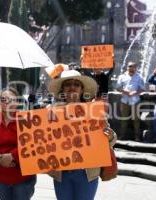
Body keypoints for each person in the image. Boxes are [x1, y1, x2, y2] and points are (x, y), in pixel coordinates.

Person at [47, 69, 117, 200]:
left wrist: (110, 136)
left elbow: (111, 140)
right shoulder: (51, 111)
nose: (72, 87)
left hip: (87, 172)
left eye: (76, 84)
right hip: (61, 173)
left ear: (82, 89)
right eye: (68, 84)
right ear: (62, 89)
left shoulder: (94, 111)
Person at [0, 88, 36, 200]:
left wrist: (12, 156)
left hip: (23, 178)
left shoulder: (26, 120)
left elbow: (32, 144)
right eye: (3, 99)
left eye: (10, 99)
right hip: (0, 177)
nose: (6, 102)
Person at [117, 62, 145, 142]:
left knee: (136, 119)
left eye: (133, 66)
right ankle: (121, 136)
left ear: (136, 68)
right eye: (130, 66)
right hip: (124, 100)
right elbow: (118, 87)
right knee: (123, 119)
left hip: (135, 100)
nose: (131, 68)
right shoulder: (122, 76)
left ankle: (137, 137)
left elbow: (142, 88)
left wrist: (134, 93)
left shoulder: (139, 77)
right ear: (127, 67)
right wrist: (125, 91)